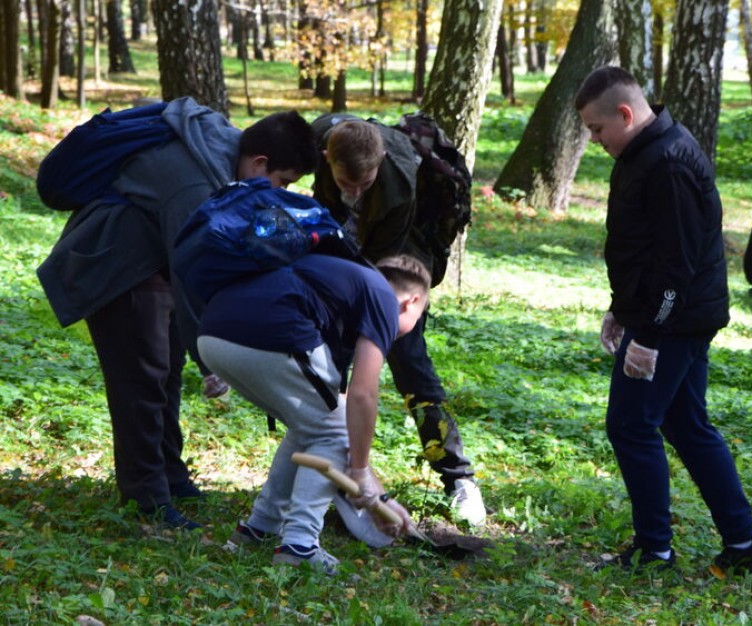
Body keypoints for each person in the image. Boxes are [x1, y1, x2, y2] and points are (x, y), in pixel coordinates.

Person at [37, 99, 318, 529]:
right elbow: (193, 271)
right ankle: (146, 498)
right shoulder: (194, 183)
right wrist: (210, 360)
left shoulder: (223, 152)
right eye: (282, 182)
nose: (280, 192)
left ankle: (171, 475)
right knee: (142, 381)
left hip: (150, 264)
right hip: (115, 267)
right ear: (259, 162)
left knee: (165, 371)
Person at [575, 66, 752, 576]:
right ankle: (744, 546)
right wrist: (621, 310)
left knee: (630, 425)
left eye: (597, 130)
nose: (595, 141)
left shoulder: (668, 163)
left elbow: (676, 267)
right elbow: (641, 246)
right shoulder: (642, 151)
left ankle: (654, 551)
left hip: (676, 320)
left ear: (625, 113)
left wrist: (648, 336)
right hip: (668, 315)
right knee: (686, 425)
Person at [196, 254, 429, 570]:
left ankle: (258, 529)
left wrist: (380, 499)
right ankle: (299, 546)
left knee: (313, 423)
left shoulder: (344, 290)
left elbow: (331, 412)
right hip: (268, 337)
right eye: (419, 317)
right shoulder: (384, 299)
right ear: (412, 301)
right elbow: (362, 395)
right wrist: (360, 472)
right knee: (329, 430)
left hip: (213, 335)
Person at [309, 113, 486, 525]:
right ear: (326, 158)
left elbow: (374, 270)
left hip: (396, 264)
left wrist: (369, 312)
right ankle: (332, 476)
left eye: (363, 185)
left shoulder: (399, 186)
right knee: (327, 370)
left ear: (381, 162)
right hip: (346, 257)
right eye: (344, 183)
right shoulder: (320, 142)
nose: (352, 193)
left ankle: (458, 477)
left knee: (410, 366)